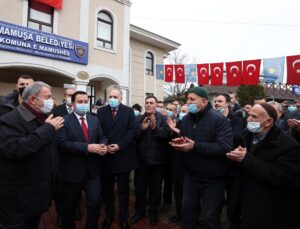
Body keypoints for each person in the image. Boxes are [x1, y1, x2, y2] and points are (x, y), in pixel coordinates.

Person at [0, 81, 64, 228]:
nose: (52, 100)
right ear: (33, 100)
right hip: (16, 202)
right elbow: (15, 149)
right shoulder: (8, 120)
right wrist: (48, 129)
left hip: (35, 197)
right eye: (48, 97)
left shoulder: (43, 118)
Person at [227, 103, 300, 229]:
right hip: (241, 202)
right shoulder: (245, 136)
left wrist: (246, 159)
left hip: (267, 208)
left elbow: (282, 176)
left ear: (269, 121)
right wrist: (233, 158)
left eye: (254, 117)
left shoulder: (288, 145)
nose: (249, 119)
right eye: (249, 115)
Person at [170, 87, 233, 229]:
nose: (188, 102)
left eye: (192, 99)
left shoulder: (219, 120)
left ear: (204, 101)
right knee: (188, 213)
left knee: (211, 217)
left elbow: (224, 147)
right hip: (191, 177)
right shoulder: (186, 119)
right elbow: (185, 139)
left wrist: (195, 146)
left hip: (213, 179)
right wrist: (179, 142)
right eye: (188, 99)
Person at [56, 91, 107, 229]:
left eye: (86, 101)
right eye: (80, 102)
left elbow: (102, 136)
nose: (83, 104)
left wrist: (103, 145)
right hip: (72, 171)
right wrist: (87, 148)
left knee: (95, 201)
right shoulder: (63, 121)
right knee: (70, 205)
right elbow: (63, 144)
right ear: (73, 104)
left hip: (93, 170)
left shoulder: (94, 119)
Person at [97, 85, 138, 229]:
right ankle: (109, 216)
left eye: (116, 97)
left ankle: (123, 217)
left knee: (123, 191)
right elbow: (99, 130)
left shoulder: (128, 111)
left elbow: (132, 131)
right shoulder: (101, 111)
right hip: (106, 156)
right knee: (107, 190)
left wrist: (120, 146)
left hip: (123, 156)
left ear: (121, 98)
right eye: (111, 97)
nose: (113, 99)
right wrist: (105, 144)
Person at [130, 95, 170, 227]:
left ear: (156, 105)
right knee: (140, 189)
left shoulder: (163, 119)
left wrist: (154, 128)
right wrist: (142, 129)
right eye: (146, 102)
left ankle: (153, 214)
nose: (148, 105)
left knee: (155, 190)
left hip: (157, 162)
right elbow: (133, 137)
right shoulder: (138, 119)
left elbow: (166, 136)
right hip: (141, 162)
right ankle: (140, 212)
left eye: (151, 103)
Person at [167, 104, 189, 223]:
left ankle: (193, 215)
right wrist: (172, 130)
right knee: (178, 189)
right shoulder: (178, 122)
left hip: (189, 162)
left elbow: (189, 137)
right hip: (176, 161)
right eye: (181, 111)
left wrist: (175, 129)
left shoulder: (191, 123)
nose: (182, 113)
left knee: (190, 191)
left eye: (184, 111)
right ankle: (179, 212)